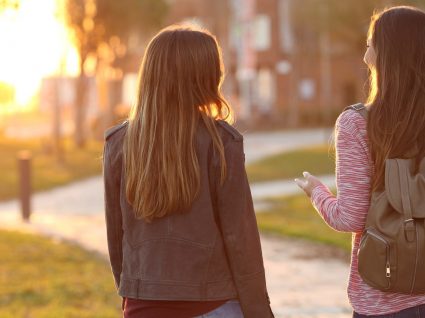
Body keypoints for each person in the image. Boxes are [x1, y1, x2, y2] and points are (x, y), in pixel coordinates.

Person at [103, 25, 274, 318]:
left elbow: (116, 237)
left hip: (143, 305)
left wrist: (137, 293)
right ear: (205, 78)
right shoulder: (222, 142)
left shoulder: (118, 142)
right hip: (214, 305)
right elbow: (240, 240)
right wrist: (259, 311)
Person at [295, 6, 425, 318]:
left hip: (384, 301)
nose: (366, 56)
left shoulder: (357, 124)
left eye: (369, 45)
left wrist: (317, 193)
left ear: (384, 55)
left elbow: (350, 218)